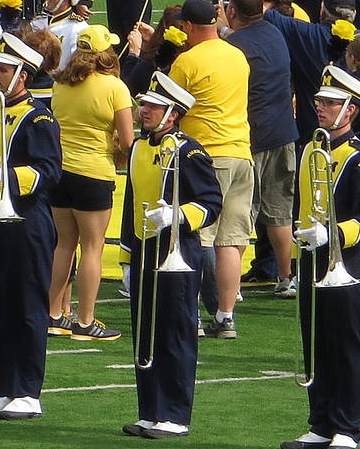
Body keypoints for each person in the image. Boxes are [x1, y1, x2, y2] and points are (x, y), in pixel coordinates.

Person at [285, 66, 360, 449]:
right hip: (313, 261)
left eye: (330, 103)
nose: (321, 109)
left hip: (347, 267)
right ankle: (321, 421)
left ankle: (348, 426)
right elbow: (302, 203)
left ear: (351, 110)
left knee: (345, 346)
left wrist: (333, 233)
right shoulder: (312, 148)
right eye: (320, 102)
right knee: (317, 343)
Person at [123, 71, 220, 441]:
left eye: (154, 106)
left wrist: (177, 216)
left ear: (173, 114)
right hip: (146, 250)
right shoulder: (138, 148)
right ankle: (151, 410)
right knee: (144, 333)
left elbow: (212, 202)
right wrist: (128, 256)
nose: (144, 110)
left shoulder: (189, 151)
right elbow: (131, 203)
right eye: (145, 104)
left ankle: (175, 413)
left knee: (175, 333)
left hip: (177, 252)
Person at [0, 28, 63, 422]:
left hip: (28, 221)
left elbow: (49, 172)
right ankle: (5, 386)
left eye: (4, 69)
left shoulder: (38, 119)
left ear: (23, 74)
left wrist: (6, 178)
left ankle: (28, 389)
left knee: (27, 306)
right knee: (1, 306)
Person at [165, 0, 251, 337]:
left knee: (197, 236)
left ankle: (194, 316)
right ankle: (225, 316)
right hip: (241, 152)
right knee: (231, 240)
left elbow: (172, 109)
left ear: (187, 26)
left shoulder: (187, 62)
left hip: (206, 156)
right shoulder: (237, 55)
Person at [49, 22, 133, 340]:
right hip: (94, 173)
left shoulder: (61, 84)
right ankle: (85, 320)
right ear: (105, 54)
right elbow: (127, 141)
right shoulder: (114, 88)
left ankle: (55, 313)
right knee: (93, 248)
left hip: (61, 171)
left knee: (64, 244)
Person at [225, 0, 298, 296]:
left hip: (251, 136)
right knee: (280, 213)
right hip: (283, 133)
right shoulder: (275, 34)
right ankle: (287, 277)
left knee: (241, 212)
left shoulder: (234, 46)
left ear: (232, 12)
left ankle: (232, 283)